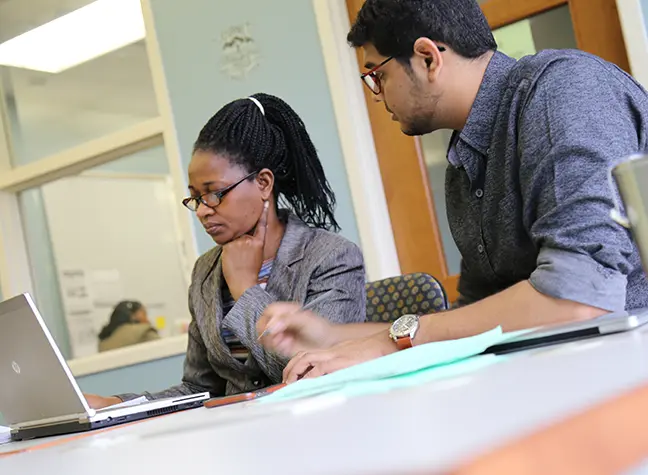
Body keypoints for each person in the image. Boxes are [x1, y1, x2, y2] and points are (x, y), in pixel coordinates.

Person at [257, 0, 648, 382]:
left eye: (377, 74)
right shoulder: (464, 166)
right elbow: (473, 316)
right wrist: (332, 337)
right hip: (558, 376)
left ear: (428, 58)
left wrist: (385, 346)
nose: (376, 94)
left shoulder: (563, 89)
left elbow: (579, 298)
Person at [85, 93, 366, 408]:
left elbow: (313, 372)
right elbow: (199, 387)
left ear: (263, 183)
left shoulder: (331, 257)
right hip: (232, 436)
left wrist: (245, 288)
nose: (203, 211)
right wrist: (115, 404)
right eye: (195, 198)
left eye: (215, 194)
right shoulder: (206, 270)